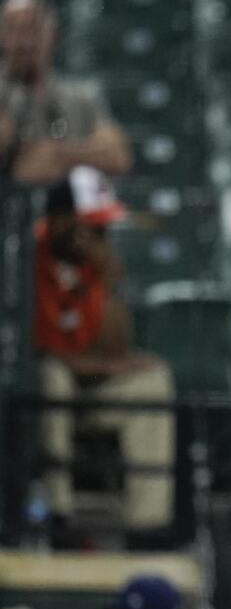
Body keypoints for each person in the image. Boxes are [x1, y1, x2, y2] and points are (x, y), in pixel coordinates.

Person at [34, 167, 175, 547]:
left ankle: (146, 526)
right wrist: (103, 366)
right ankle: (58, 516)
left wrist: (109, 280)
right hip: (35, 401)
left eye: (101, 228)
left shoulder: (93, 263)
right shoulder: (28, 255)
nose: (98, 237)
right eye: (90, 227)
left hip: (85, 393)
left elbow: (116, 350)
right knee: (51, 376)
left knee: (152, 381)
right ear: (60, 220)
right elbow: (45, 350)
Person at [0, 0, 130, 186]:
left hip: (70, 211)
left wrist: (55, 153)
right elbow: (19, 167)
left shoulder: (79, 96)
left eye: (33, 29)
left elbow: (117, 156)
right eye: (14, 29)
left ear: (53, 34)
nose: (24, 41)